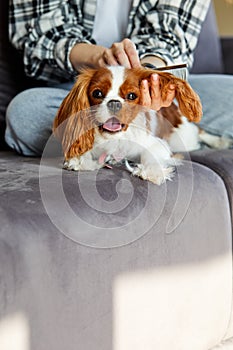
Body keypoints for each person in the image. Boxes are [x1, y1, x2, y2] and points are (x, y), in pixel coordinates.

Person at [5, 0, 227, 156]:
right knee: (25, 113)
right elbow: (41, 34)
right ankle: (136, 146)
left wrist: (149, 80)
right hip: (75, 89)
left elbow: (170, 38)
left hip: (153, 84)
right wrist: (96, 57)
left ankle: (116, 148)